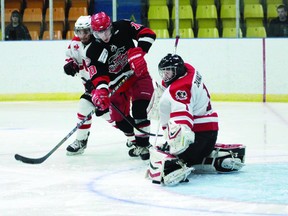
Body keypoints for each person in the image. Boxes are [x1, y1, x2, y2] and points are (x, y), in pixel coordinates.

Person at [146, 54, 245, 186]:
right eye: (163, 73)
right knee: (192, 150)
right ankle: (216, 158)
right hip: (210, 136)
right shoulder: (191, 71)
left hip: (195, 139)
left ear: (178, 71)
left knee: (160, 149)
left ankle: (173, 168)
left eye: (168, 72)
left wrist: (171, 142)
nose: (165, 76)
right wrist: (167, 84)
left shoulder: (178, 90)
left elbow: (182, 124)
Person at [85, 12, 156, 160]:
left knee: (139, 109)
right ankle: (136, 139)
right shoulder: (92, 51)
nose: (104, 35)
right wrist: (102, 91)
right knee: (119, 119)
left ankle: (143, 146)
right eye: (99, 32)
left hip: (137, 74)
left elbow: (147, 33)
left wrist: (140, 51)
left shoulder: (123, 26)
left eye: (106, 30)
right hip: (117, 85)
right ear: (93, 32)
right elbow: (99, 76)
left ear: (111, 26)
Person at [64, 15, 112, 155]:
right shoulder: (75, 43)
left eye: (86, 31)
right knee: (84, 106)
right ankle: (81, 140)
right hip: (90, 89)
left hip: (106, 88)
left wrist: (99, 84)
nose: (82, 35)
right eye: (79, 32)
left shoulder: (100, 44)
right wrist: (69, 64)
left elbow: (106, 68)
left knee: (110, 115)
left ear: (92, 30)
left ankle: (134, 138)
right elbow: (70, 57)